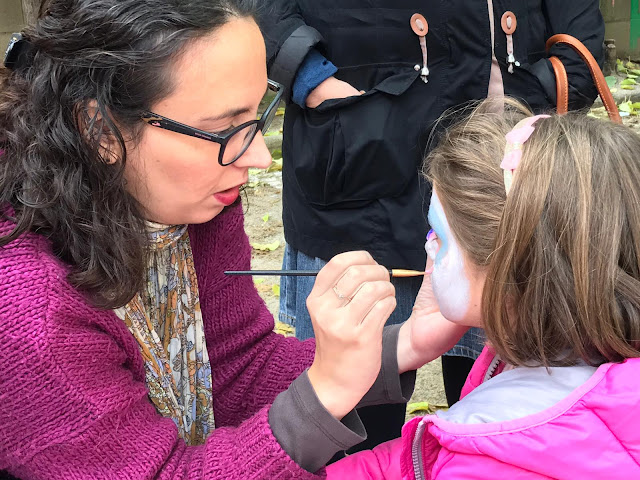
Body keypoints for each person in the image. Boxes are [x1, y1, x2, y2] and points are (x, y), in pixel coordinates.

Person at [0, 1, 467, 478]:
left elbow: (238, 368)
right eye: (225, 128)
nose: (259, 157)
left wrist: (406, 343)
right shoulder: (27, 312)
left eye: (256, 119)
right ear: (99, 129)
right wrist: (325, 392)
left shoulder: (192, 201)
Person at [260, 1, 606, 436]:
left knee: (509, 416)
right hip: (359, 154)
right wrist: (310, 76)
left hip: (511, 174)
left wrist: (549, 87)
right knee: (355, 419)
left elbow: (579, 30)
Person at [326, 99, 640, 478]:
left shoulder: (486, 464)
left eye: (438, 236)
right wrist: (406, 343)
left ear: (510, 268)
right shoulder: (553, 354)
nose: (427, 247)